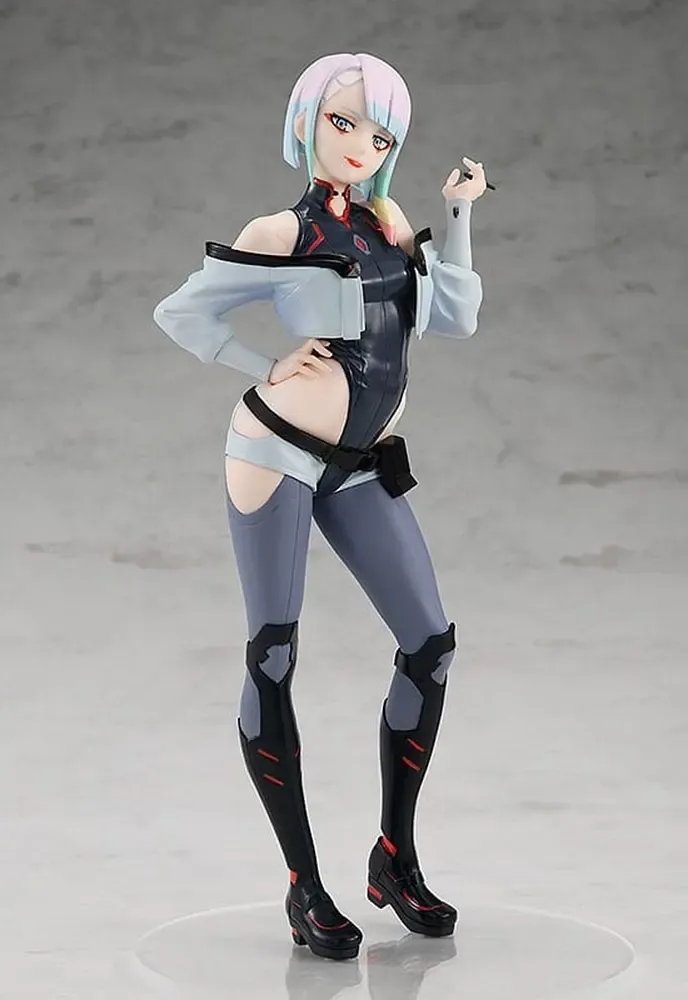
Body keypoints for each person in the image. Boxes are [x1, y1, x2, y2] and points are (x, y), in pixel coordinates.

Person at [153, 51, 487, 962]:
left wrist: (457, 215)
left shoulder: (389, 227)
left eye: (378, 133)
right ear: (306, 124)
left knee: (430, 644)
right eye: (342, 123)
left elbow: (455, 317)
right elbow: (182, 313)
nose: (359, 144)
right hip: (276, 453)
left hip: (361, 463)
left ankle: (394, 856)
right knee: (274, 654)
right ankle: (304, 885)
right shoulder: (280, 230)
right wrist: (260, 364)